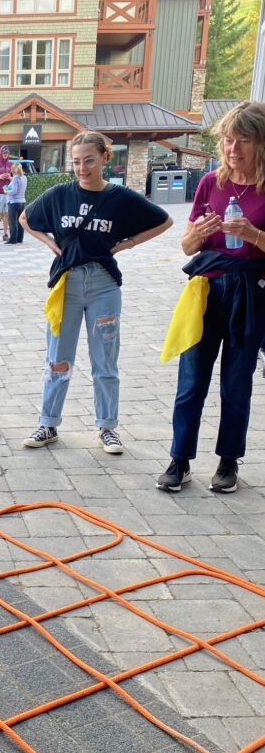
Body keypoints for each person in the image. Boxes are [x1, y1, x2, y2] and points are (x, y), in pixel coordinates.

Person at [21, 130, 172, 453]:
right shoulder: (60, 195)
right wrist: (49, 242)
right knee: (57, 359)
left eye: (89, 160)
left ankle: (107, 428)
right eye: (76, 161)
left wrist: (130, 243)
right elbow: (25, 218)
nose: (82, 168)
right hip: (67, 285)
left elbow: (164, 221)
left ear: (106, 157)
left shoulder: (121, 199)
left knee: (105, 362)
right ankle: (48, 424)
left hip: (104, 284)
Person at [156, 101, 265, 494]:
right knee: (191, 380)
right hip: (206, 289)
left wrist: (252, 234)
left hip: (250, 293)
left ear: (261, 143)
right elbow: (186, 248)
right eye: (228, 141)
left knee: (237, 383)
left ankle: (228, 461)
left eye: (243, 141)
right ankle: (179, 459)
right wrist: (198, 235)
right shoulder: (210, 183)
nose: (233, 150)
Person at [6, 162, 28, 244]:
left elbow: (14, 191)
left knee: (12, 222)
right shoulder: (24, 177)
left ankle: (12, 240)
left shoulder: (15, 178)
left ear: (13, 170)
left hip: (13, 202)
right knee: (20, 221)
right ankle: (19, 238)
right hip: (22, 201)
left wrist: (6, 191)